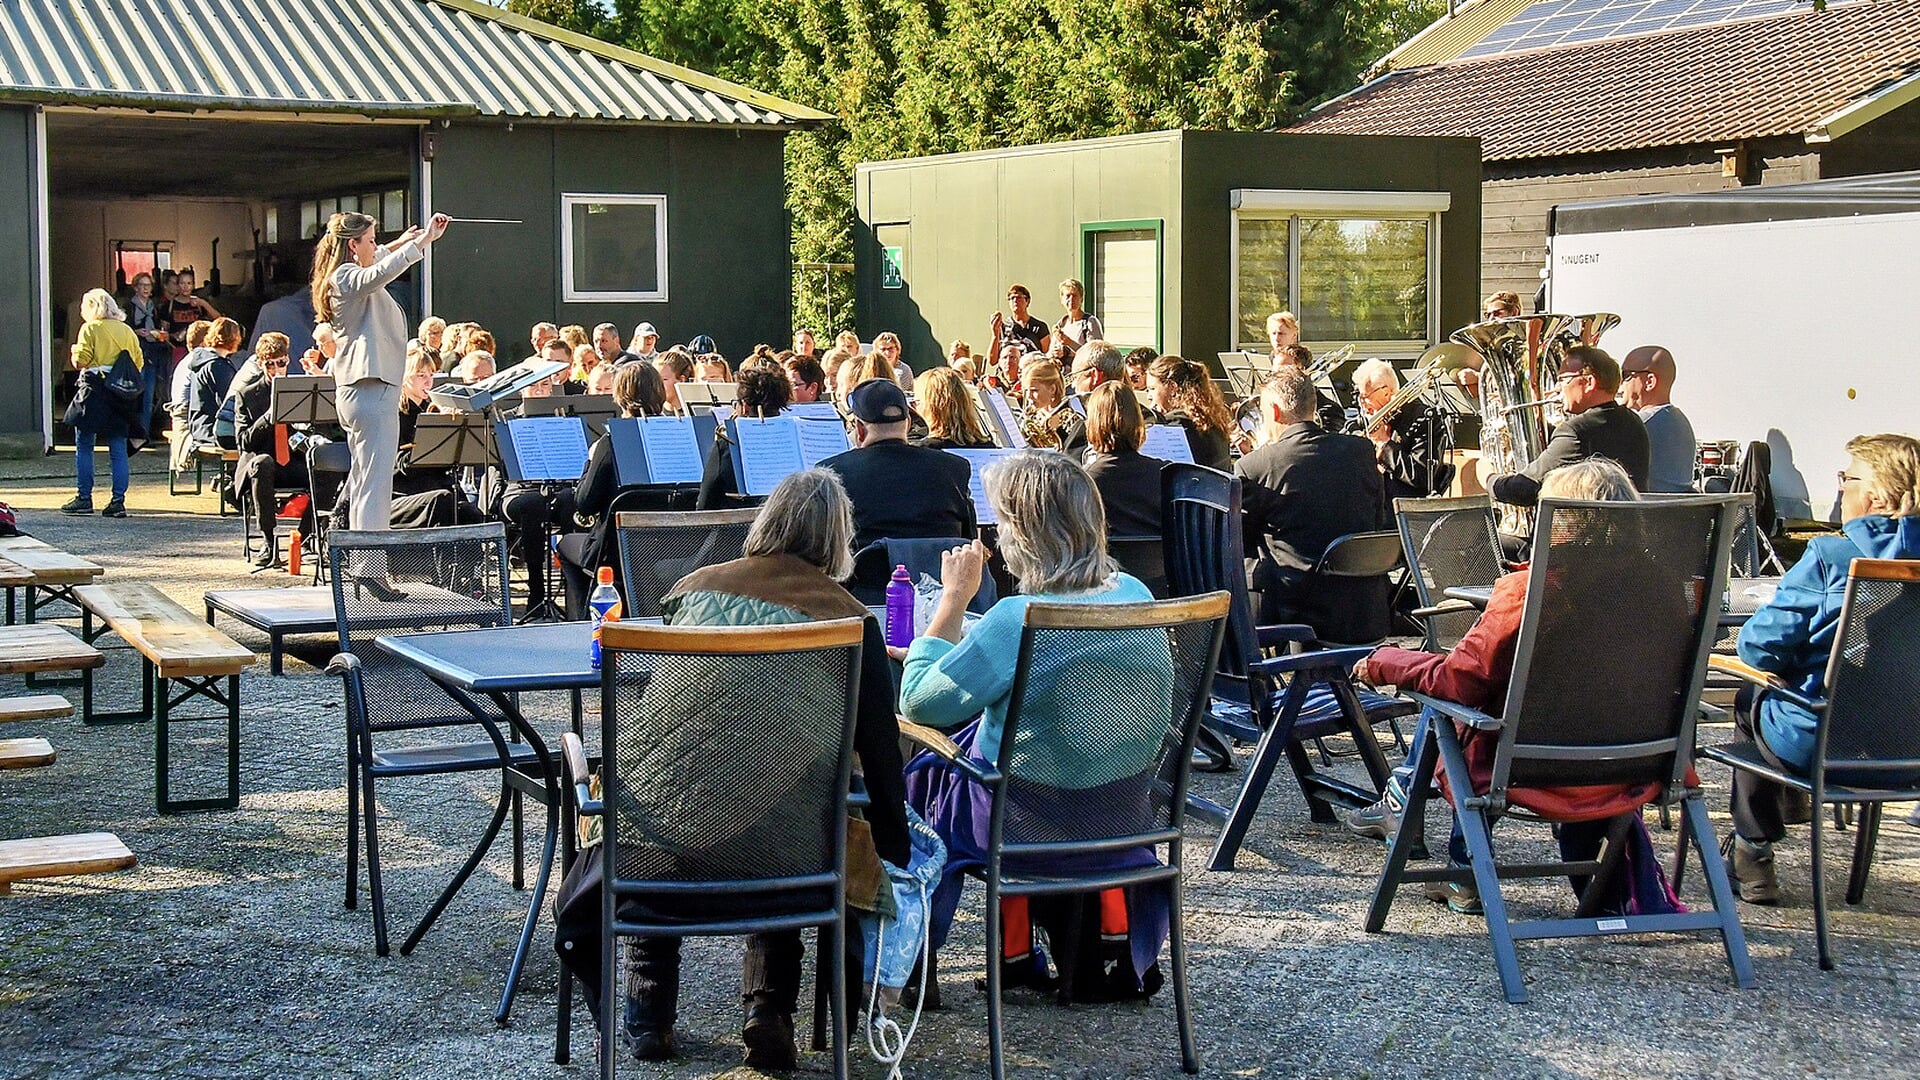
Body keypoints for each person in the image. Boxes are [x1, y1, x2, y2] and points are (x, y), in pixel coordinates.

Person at [602, 468, 912, 1067]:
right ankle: (769, 1010)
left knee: (668, 787)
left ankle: (648, 1017)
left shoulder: (691, 592)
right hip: (785, 853)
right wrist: (895, 849)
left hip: (663, 840)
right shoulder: (849, 620)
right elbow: (879, 750)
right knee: (790, 793)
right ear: (837, 540)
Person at [1352, 459, 1681, 917]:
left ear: (1558, 520)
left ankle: (1460, 862)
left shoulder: (1532, 590)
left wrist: (1386, 660)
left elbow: (1458, 681)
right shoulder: (1665, 589)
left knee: (1449, 707)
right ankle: (1436, 839)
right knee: (1468, 701)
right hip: (1637, 764)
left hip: (1530, 766)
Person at [898, 449, 1166, 1005]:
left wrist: (951, 602)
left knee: (920, 772)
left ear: (1024, 533)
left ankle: (909, 963)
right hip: (1121, 816)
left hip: (1020, 826)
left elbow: (921, 704)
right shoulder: (1138, 597)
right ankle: (1060, 946)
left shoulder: (1014, 618)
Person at [1725, 433, 1920, 903]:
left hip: (1824, 745)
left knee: (1752, 696)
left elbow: (1757, 649)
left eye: (1846, 478)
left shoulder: (1830, 556)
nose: (1840, 489)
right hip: (1910, 751)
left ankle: (1754, 851)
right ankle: (1789, 805)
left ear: (1874, 493)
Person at [311, 210, 449, 544]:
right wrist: (424, 242)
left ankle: (364, 562)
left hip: (364, 391)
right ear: (353, 245)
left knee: (365, 481)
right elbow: (379, 272)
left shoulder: (347, 273)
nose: (376, 245)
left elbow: (378, 261)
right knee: (375, 485)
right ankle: (371, 567)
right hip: (369, 389)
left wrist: (405, 241)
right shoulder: (345, 278)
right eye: (370, 240)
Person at [1237, 368, 1387, 644]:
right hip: (1366, 609)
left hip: (1300, 613)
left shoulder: (1254, 466)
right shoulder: (1361, 451)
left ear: (1274, 410)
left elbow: (1238, 540)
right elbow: (1377, 518)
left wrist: (1263, 452)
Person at [1488, 346, 1650, 545]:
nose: (1557, 388)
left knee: (1478, 546)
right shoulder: (1633, 422)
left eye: (1563, 379)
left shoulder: (1576, 431)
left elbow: (1524, 489)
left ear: (1589, 382)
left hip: (1574, 547)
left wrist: (1488, 478)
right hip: (1621, 543)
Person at [555, 363, 670, 618]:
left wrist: (590, 459)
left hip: (617, 552)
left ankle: (583, 622)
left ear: (620, 396)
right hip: (673, 547)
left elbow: (584, 503)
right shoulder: (681, 436)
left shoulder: (610, 443)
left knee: (564, 544)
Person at [820, 378, 975, 551]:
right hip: (941, 576)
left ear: (860, 429)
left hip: (864, 577)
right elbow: (969, 540)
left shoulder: (832, 472)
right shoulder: (954, 468)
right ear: (908, 424)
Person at [61, 289, 145, 518]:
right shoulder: (127, 330)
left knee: (85, 444)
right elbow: (138, 362)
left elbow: (81, 361)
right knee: (118, 448)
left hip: (94, 389)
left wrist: (74, 351)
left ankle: (84, 497)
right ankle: (118, 500)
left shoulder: (90, 328)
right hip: (119, 392)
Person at [228, 333, 300, 567]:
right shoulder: (247, 394)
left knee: (330, 462)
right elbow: (243, 441)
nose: (277, 369)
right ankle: (268, 541)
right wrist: (268, 417)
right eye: (270, 364)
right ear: (261, 364)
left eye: (281, 362)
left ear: (288, 360)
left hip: (293, 459)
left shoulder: (301, 389)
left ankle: (306, 535)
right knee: (263, 463)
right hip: (262, 464)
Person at [1353, 357, 1452, 503]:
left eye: (1365, 396)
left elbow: (1421, 476)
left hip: (1404, 506)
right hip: (1371, 501)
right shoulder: (1366, 418)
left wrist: (1384, 443)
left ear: (1386, 392)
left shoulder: (1424, 419)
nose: (1362, 403)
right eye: (1359, 396)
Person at [697, 360, 792, 510]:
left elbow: (704, 507)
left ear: (745, 407)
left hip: (738, 533)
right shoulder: (795, 440)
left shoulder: (727, 446)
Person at [1081, 383, 1162, 536]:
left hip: (1108, 560)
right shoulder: (1166, 474)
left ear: (1092, 424)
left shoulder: (1087, 480)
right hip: (1162, 560)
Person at [1620, 345, 1695, 494]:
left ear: (1650, 382)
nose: (1620, 384)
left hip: (1644, 514)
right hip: (1672, 514)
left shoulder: (1639, 425)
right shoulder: (1681, 421)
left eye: (1626, 375)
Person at [1143, 355, 1234, 471]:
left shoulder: (1175, 424)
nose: (1148, 396)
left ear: (1172, 387)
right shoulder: (1211, 418)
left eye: (1152, 389)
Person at [186, 319, 245, 448]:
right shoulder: (218, 366)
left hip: (199, 427)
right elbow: (227, 402)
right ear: (234, 337)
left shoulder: (202, 360)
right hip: (214, 431)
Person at [1271, 343, 1346, 432]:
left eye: (1282, 372)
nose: (1275, 378)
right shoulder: (1269, 404)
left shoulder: (1329, 410)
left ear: (1302, 370)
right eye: (1273, 373)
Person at [914, 367, 992, 450]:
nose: (915, 407)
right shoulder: (989, 448)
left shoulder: (923, 451)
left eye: (917, 402)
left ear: (932, 408)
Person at [1018, 359, 1074, 450]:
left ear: (1052, 389)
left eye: (1034, 390)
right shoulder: (1032, 417)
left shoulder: (1068, 418)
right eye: (1026, 390)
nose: (1028, 396)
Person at [990, 283, 1050, 358]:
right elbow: (992, 360)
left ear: (1027, 301)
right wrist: (995, 334)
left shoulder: (1039, 327)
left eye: (1019, 297)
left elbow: (1047, 355)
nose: (1015, 301)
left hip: (1030, 367)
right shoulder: (1003, 326)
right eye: (1012, 298)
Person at [1052, 279, 1103, 356]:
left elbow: (1096, 353)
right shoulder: (1061, 325)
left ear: (1081, 299)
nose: (1071, 300)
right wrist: (1054, 353)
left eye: (1075, 296)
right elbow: (1050, 352)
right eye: (1068, 296)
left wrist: (1069, 344)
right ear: (1062, 299)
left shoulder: (1090, 323)